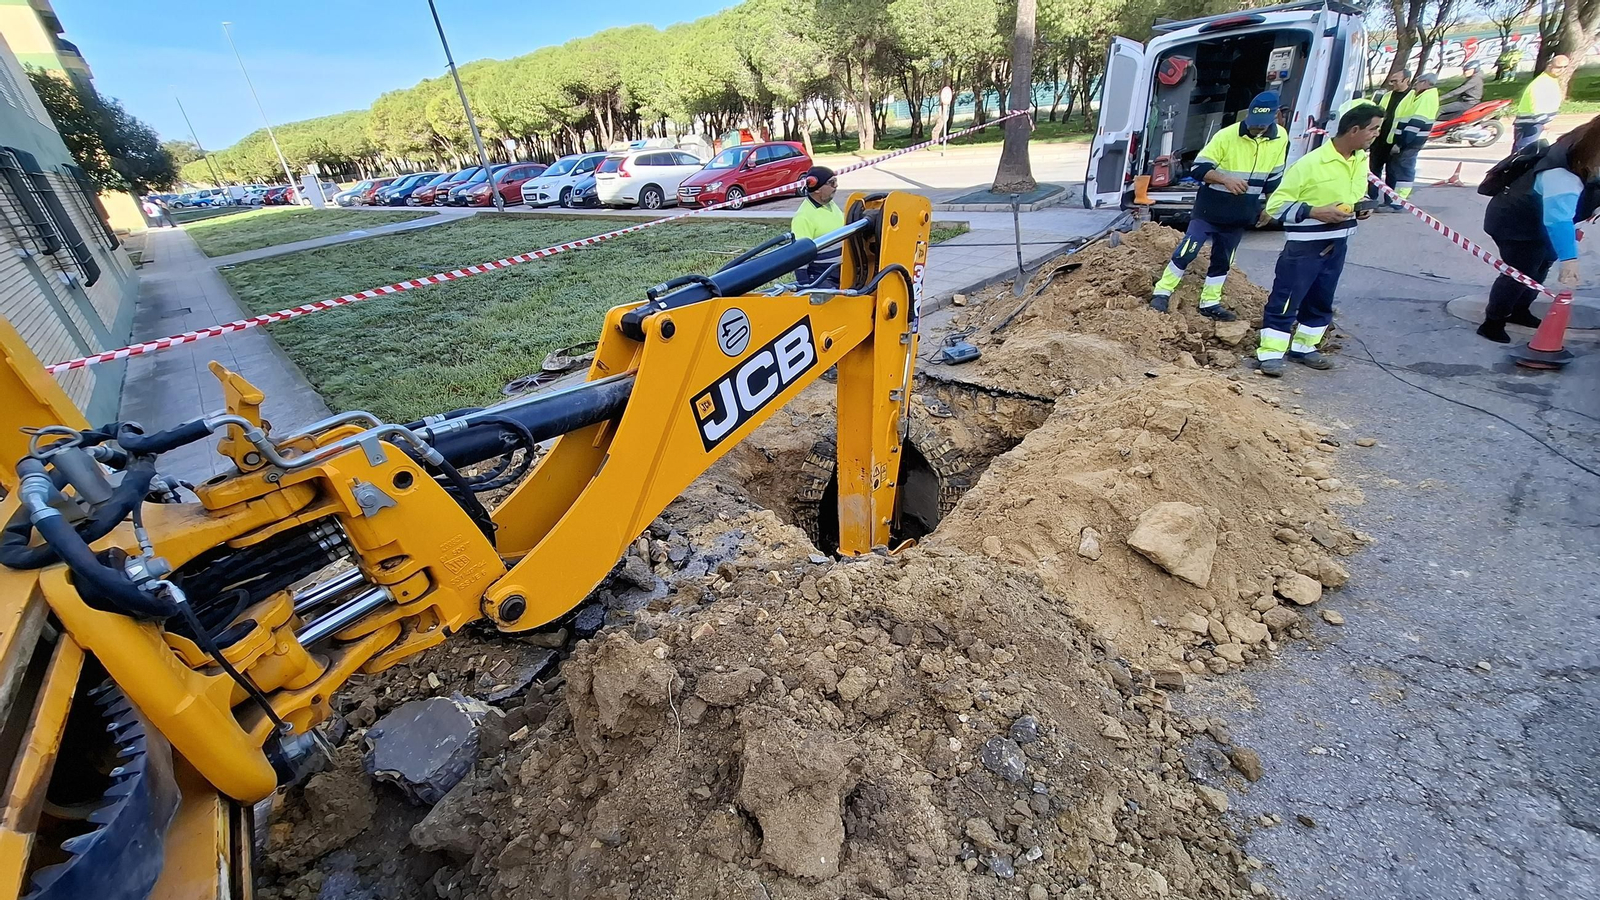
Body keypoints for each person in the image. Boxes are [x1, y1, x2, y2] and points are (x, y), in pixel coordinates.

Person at [1255, 104, 1385, 377]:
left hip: (1338, 243)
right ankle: (1270, 354)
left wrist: (1362, 206)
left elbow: (1354, 194)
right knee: (1288, 298)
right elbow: (1276, 206)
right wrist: (1315, 211)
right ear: (1354, 130)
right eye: (1373, 129)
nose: (1376, 134)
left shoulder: (1359, 159)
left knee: (1321, 299)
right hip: (1306, 247)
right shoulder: (1310, 164)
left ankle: (1305, 347)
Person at [1149, 91, 1289, 320]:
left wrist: (1269, 207)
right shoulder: (1227, 136)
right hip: (1210, 209)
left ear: (1275, 117)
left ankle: (1210, 302)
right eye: (1254, 124)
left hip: (1241, 212)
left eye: (1262, 125)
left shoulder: (1280, 138)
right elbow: (1198, 169)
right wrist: (1225, 179)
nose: (1257, 129)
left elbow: (1274, 177)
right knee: (1188, 250)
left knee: (1224, 258)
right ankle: (1162, 291)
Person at [1478, 116, 1600, 343]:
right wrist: (1569, 258)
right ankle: (1492, 322)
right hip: (1515, 223)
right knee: (1520, 272)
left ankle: (1519, 310)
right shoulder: (1562, 175)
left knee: (1541, 265)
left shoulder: (1581, 145)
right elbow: (1558, 220)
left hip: (1538, 220)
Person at [1380, 71, 1440, 207]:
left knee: (1404, 172)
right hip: (1406, 140)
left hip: (1410, 142)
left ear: (1425, 83)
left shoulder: (1426, 98)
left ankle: (1398, 203)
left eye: (1418, 82)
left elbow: (1415, 124)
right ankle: (1395, 200)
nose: (1415, 85)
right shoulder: (1419, 96)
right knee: (1399, 169)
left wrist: (1400, 143)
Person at [791, 166, 845, 289]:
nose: (836, 186)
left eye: (836, 181)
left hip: (842, 272)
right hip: (823, 277)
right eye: (832, 183)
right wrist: (805, 286)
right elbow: (800, 255)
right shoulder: (803, 217)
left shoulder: (830, 204)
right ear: (817, 189)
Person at [1367, 70, 1411, 204]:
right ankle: (1371, 199)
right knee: (1374, 172)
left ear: (1406, 80)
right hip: (1379, 140)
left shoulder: (1412, 97)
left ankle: (1389, 201)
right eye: (1391, 81)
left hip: (1396, 142)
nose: (1392, 84)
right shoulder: (1387, 96)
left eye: (1395, 81)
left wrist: (1401, 142)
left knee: (1392, 174)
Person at [1514, 54, 1569, 151]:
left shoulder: (1551, 80)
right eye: (1558, 67)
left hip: (1535, 122)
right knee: (1524, 151)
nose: (1562, 70)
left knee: (1529, 151)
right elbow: (1535, 103)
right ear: (1549, 65)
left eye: (1565, 67)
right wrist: (1545, 121)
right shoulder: (1542, 82)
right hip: (1531, 123)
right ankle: (1516, 166)